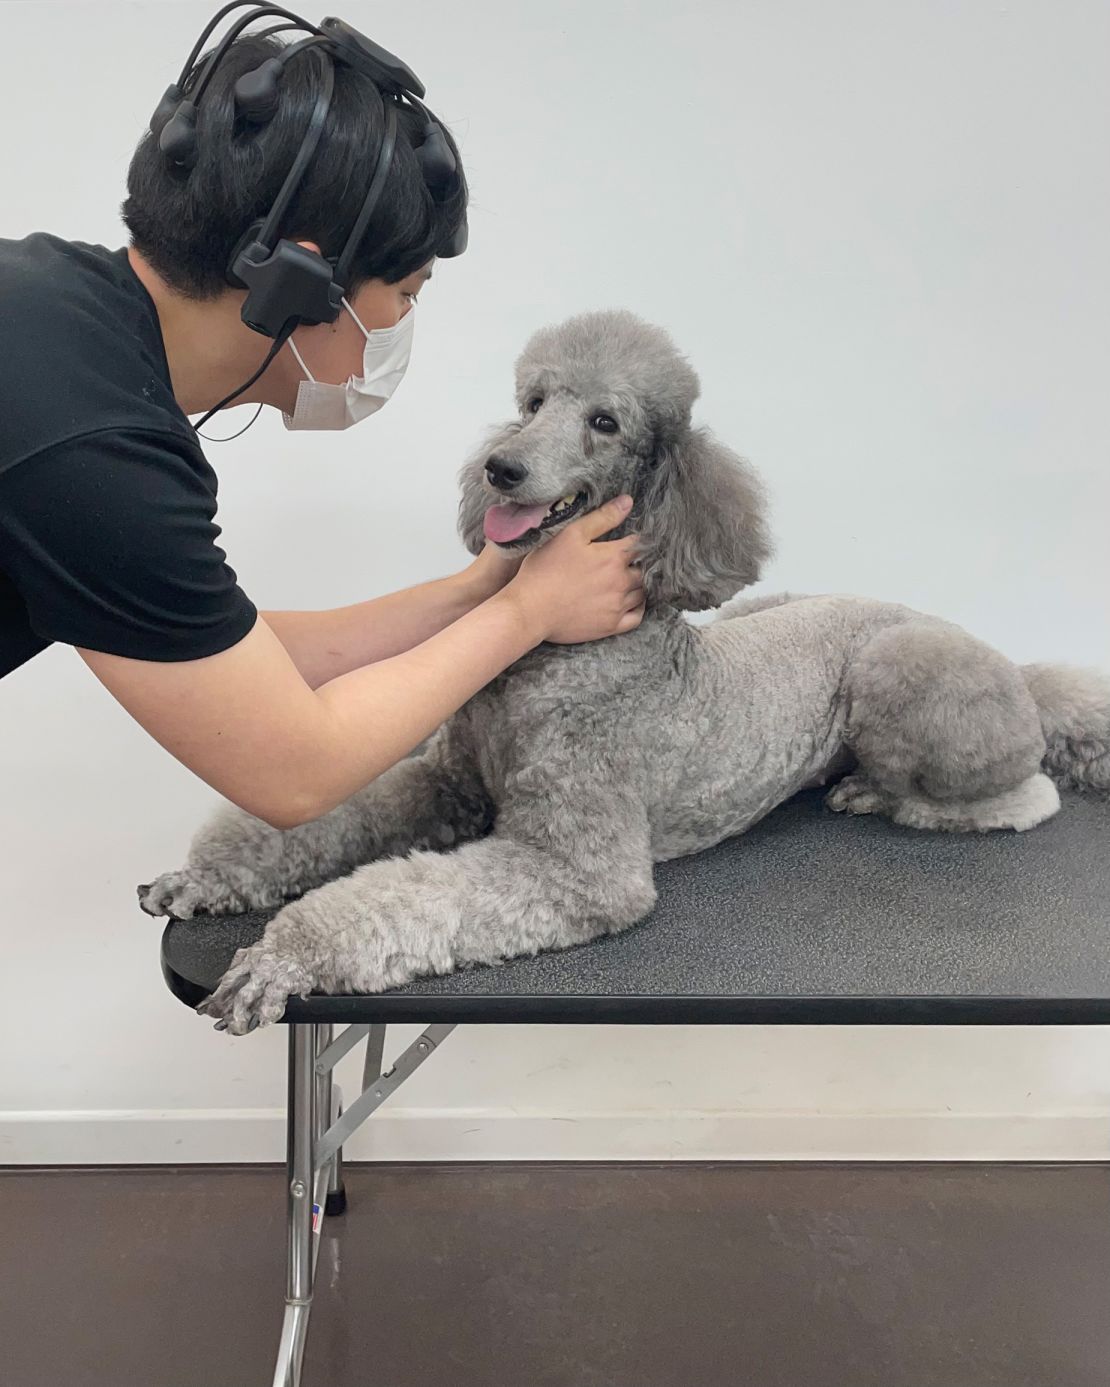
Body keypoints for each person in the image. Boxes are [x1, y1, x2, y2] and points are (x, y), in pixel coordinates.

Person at [0, 11, 644, 831]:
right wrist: (530, 616)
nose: (405, 325)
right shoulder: (96, 458)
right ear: (299, 279)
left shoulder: (49, 306)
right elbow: (294, 769)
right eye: (406, 295)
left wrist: (479, 592)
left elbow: (235, 664)